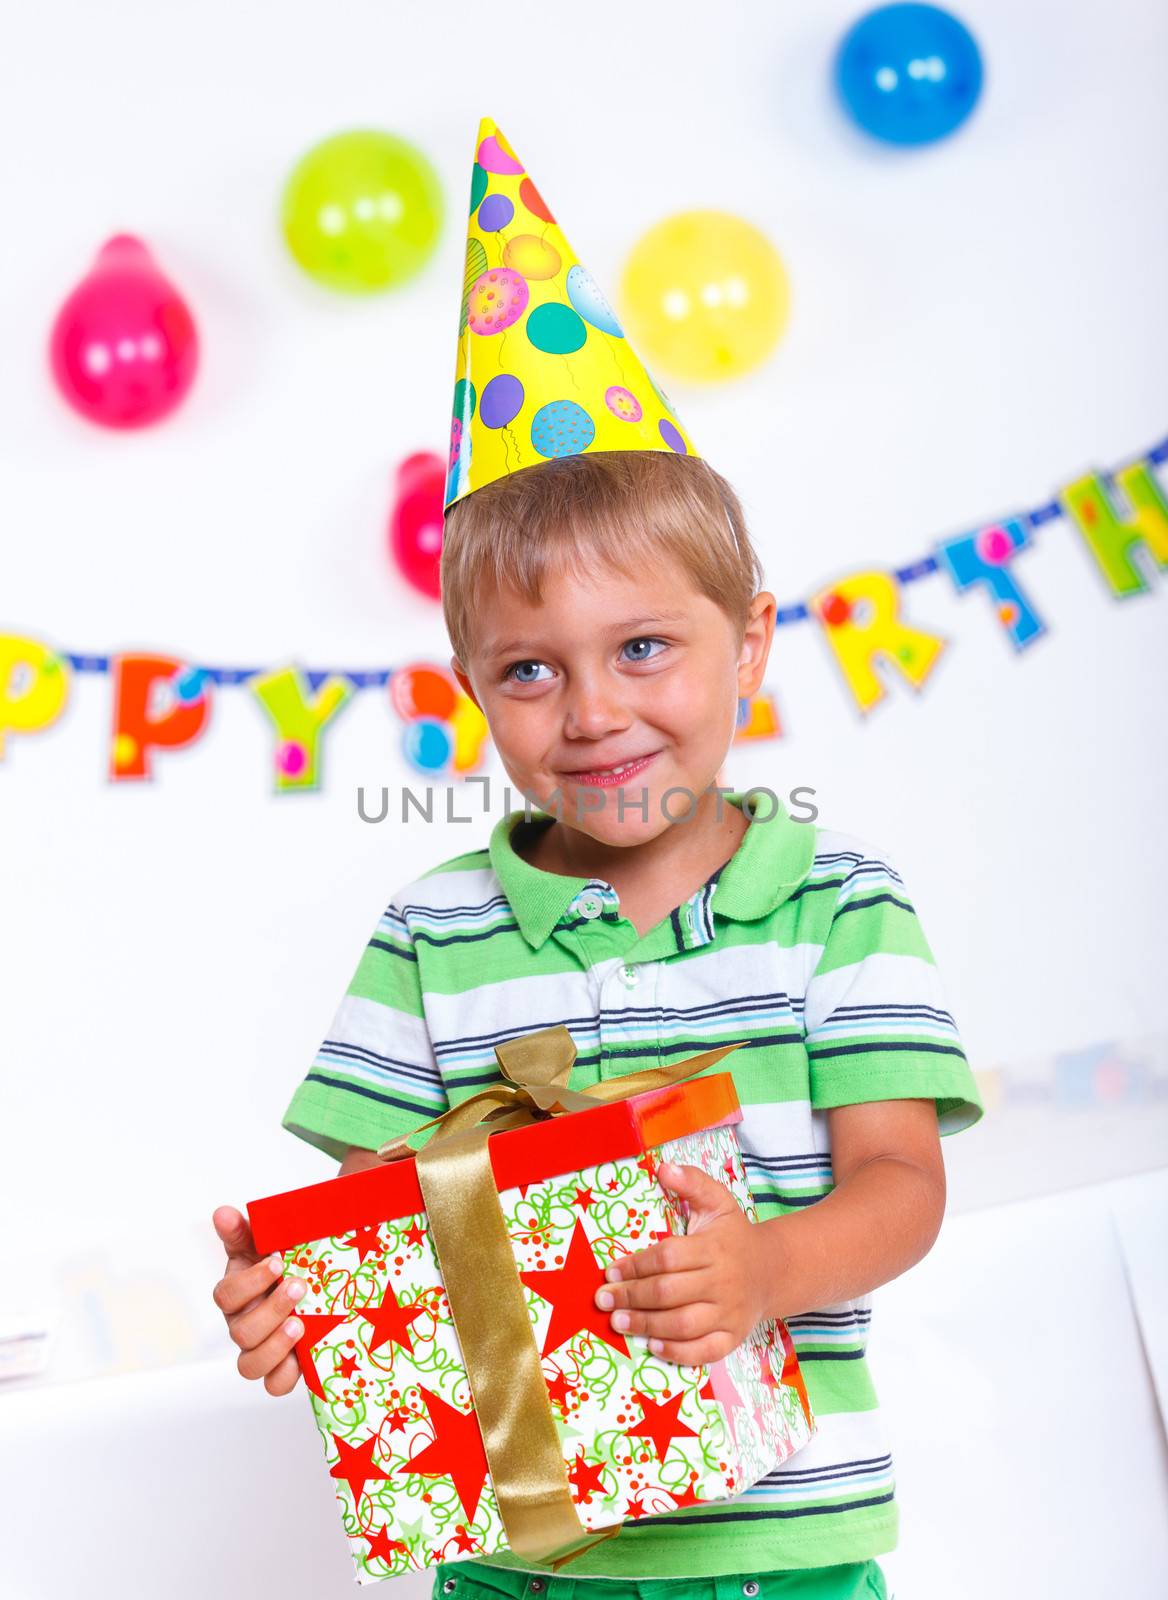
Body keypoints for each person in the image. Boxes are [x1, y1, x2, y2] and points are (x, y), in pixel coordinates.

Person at [211, 117, 982, 1600]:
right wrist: (301, 1299)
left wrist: (765, 1272)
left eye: (642, 649)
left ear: (749, 644)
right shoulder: (435, 930)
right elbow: (386, 1204)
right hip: (520, 1550)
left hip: (778, 1547)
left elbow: (902, 1183)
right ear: (470, 693)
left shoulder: (837, 909)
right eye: (530, 672)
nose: (597, 715)